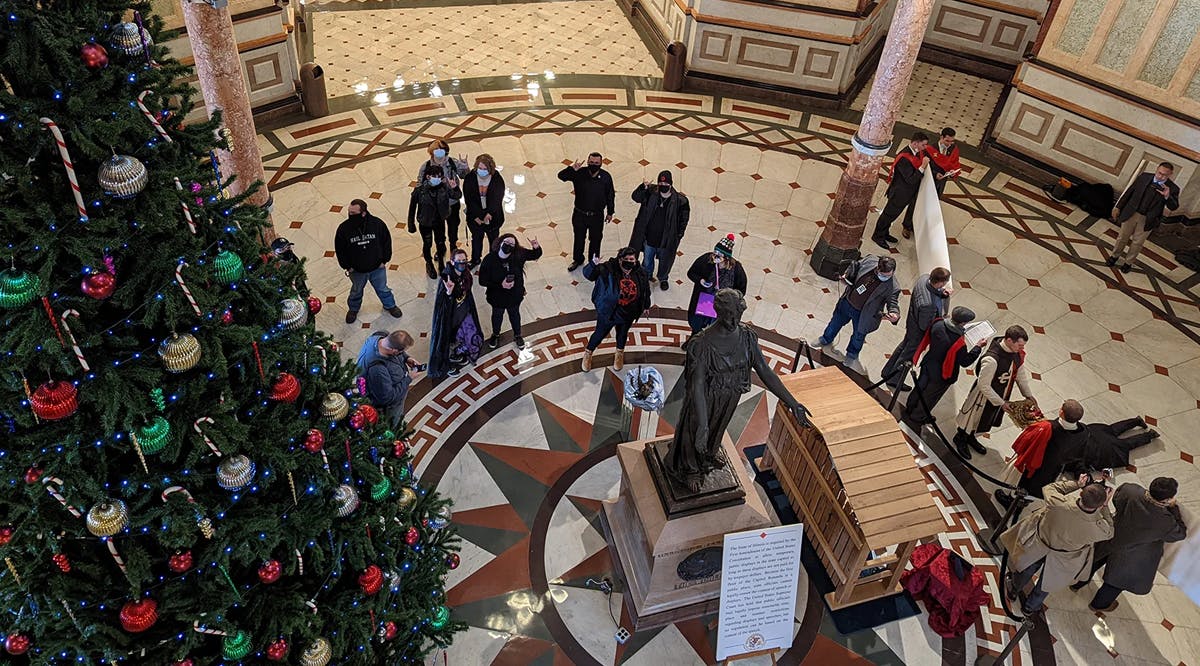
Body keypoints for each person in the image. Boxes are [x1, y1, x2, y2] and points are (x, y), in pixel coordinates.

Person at [664, 288, 811, 493]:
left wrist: (792, 402)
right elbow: (696, 384)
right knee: (695, 429)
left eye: (738, 315)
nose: (734, 320)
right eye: (729, 315)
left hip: (731, 395)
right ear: (718, 312)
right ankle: (691, 468)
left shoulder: (747, 336)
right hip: (704, 398)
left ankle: (709, 454)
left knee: (719, 428)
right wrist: (703, 424)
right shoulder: (701, 344)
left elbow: (765, 371)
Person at [1000, 474, 1115, 614]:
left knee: (1026, 568)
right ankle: (1030, 607)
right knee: (1047, 583)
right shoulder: (1098, 528)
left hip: (1040, 543)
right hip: (1065, 558)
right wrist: (1104, 507)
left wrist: (1077, 484)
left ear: (1080, 493)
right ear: (1098, 506)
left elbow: (1050, 488)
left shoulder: (1058, 503)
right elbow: (1110, 530)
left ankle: (1013, 590)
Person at [1071, 478, 1187, 613]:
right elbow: (1179, 534)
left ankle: (1078, 583)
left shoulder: (1130, 490)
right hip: (1133, 553)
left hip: (1112, 535)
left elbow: (1116, 499)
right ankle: (1099, 604)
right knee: (1116, 581)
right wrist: (1174, 509)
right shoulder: (1165, 521)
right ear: (1167, 498)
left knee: (1094, 559)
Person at [953, 325, 1036, 459]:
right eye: (1020, 345)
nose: (1022, 349)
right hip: (982, 398)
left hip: (999, 396)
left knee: (983, 421)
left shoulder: (1016, 355)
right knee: (972, 419)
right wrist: (1001, 403)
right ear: (1009, 340)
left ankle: (971, 437)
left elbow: (1020, 375)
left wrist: (1028, 395)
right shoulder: (992, 359)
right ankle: (960, 438)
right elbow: (983, 385)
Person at [814, 254, 901, 367]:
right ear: (878, 268)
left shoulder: (893, 287)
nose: (886, 277)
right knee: (834, 323)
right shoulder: (870, 260)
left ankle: (851, 355)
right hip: (847, 302)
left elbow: (893, 302)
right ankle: (825, 339)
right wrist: (847, 274)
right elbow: (856, 265)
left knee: (858, 336)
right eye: (883, 274)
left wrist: (894, 313)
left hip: (864, 314)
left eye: (889, 275)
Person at [904, 306, 986, 424]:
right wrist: (978, 347)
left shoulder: (938, 324)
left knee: (920, 387)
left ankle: (910, 406)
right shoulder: (958, 343)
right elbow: (965, 362)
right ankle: (918, 416)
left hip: (928, 364)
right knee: (929, 397)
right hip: (942, 375)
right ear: (963, 323)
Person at [580, 247, 651, 372]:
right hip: (609, 311)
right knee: (600, 333)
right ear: (620, 260)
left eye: (632, 259)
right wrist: (592, 264)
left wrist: (646, 305)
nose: (629, 261)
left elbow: (645, 290)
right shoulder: (608, 269)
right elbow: (589, 275)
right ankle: (588, 352)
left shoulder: (640, 272)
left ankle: (619, 354)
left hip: (629, 312)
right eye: (626, 259)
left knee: (622, 334)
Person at [881, 267, 952, 389]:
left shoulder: (923, 278)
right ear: (940, 283)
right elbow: (925, 325)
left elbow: (932, 293)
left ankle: (887, 372)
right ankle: (894, 379)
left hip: (912, 322)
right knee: (908, 355)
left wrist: (942, 294)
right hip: (918, 331)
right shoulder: (928, 305)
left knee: (903, 347)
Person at [334, 199, 403, 324]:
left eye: (354, 213)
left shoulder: (377, 224)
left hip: (377, 267)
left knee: (382, 288)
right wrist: (347, 266)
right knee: (356, 291)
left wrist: (385, 260)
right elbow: (340, 249)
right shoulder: (343, 229)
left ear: (363, 213)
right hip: (356, 270)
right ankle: (353, 309)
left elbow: (386, 242)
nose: (350, 215)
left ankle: (390, 305)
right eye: (349, 212)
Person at [1108, 162, 1180, 274]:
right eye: (1159, 173)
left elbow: (1174, 207)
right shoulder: (1144, 177)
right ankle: (1114, 256)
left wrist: (1167, 196)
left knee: (1137, 243)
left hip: (1148, 219)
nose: (1160, 176)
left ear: (1170, 174)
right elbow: (1129, 192)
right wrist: (1118, 206)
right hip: (1131, 213)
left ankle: (1128, 263)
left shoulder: (1173, 188)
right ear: (1156, 169)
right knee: (1122, 237)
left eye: (1164, 175)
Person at [479, 232, 542, 349]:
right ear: (500, 243)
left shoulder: (518, 255)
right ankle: (495, 334)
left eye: (512, 244)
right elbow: (482, 280)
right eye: (506, 242)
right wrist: (500, 284)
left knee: (515, 315)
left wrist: (536, 246)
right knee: (497, 315)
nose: (508, 245)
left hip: (514, 294)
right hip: (497, 295)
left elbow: (535, 255)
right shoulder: (490, 259)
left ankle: (518, 335)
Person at [630, 170, 690, 291]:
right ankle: (646, 275)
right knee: (647, 260)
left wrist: (679, 235)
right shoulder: (651, 192)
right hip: (649, 237)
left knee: (665, 261)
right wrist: (643, 187)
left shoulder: (680, 200)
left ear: (671, 184)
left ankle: (663, 278)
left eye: (665, 185)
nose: (662, 187)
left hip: (666, 239)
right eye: (660, 185)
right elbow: (636, 197)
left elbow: (684, 220)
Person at [429, 248, 484, 379]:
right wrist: (449, 293)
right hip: (449, 317)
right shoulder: (446, 278)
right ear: (452, 262)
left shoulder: (466, 275)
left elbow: (467, 293)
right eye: (459, 261)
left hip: (463, 311)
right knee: (445, 340)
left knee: (461, 336)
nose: (462, 263)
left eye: (464, 260)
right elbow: (441, 304)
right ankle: (446, 365)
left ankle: (456, 354)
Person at [872, 132, 930, 249]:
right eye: (923, 145)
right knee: (887, 215)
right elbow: (911, 179)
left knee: (893, 216)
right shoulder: (904, 158)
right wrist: (923, 166)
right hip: (899, 193)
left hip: (906, 194)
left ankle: (885, 233)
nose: (925, 148)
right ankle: (878, 236)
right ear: (915, 143)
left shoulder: (916, 153)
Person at [559, 152, 615, 272]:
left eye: (596, 163)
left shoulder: (606, 177)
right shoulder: (579, 173)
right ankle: (578, 259)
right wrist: (571, 169)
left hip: (597, 216)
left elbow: (610, 195)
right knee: (579, 238)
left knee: (595, 239)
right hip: (579, 213)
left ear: (601, 163)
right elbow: (561, 176)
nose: (593, 164)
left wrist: (610, 212)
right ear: (588, 161)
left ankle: (593, 262)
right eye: (591, 162)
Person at [356, 329, 421, 426]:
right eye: (402, 351)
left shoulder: (381, 336)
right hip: (389, 407)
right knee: (392, 426)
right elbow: (387, 398)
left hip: (388, 389)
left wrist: (407, 358)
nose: (402, 353)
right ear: (394, 350)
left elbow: (398, 350)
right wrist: (409, 378)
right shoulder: (378, 370)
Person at [685, 235, 747, 334]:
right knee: (697, 323)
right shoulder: (706, 259)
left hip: (722, 304)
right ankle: (694, 338)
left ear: (726, 258)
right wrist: (700, 281)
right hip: (705, 300)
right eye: (714, 253)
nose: (714, 257)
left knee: (714, 328)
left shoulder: (737, 269)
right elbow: (691, 273)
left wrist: (729, 295)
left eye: (719, 255)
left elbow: (741, 290)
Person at [407, 164, 459, 279]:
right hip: (425, 221)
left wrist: (454, 187)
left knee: (440, 243)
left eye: (439, 176)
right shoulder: (419, 191)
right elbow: (412, 208)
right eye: (434, 176)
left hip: (439, 221)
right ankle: (429, 263)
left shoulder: (444, 187)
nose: (437, 178)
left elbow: (457, 196)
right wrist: (411, 224)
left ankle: (441, 263)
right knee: (427, 244)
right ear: (428, 176)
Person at [416, 138, 468, 251]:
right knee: (439, 229)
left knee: (453, 226)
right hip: (435, 206)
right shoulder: (426, 167)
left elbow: (464, 176)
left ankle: (453, 245)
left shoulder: (452, 162)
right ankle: (441, 246)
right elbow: (419, 187)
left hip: (452, 202)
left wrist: (464, 167)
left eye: (444, 153)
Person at [462, 153, 505, 268]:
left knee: (494, 240)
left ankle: (494, 260)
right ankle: (475, 259)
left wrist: (489, 214)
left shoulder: (496, 178)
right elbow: (469, 199)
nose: (482, 171)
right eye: (480, 168)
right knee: (476, 238)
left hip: (493, 216)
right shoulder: (470, 178)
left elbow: (498, 198)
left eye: (485, 169)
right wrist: (479, 216)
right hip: (475, 216)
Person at [925, 127, 961, 203]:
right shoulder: (930, 149)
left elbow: (955, 162)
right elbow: (925, 165)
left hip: (942, 182)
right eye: (947, 141)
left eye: (951, 141)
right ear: (941, 137)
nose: (949, 144)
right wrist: (935, 174)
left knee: (935, 200)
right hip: (929, 180)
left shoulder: (953, 149)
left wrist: (952, 172)